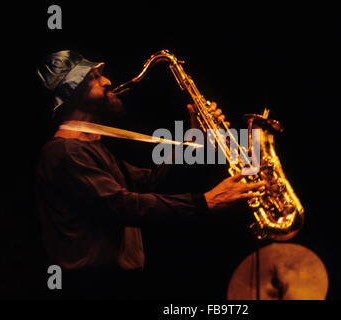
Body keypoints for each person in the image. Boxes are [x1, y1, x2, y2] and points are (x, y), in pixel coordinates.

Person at [35, 50, 264, 299]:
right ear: (74, 93)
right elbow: (125, 204)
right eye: (95, 77)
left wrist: (195, 135)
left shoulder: (90, 150)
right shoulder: (64, 152)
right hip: (91, 288)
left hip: (112, 285)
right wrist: (206, 202)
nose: (107, 81)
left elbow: (151, 183)